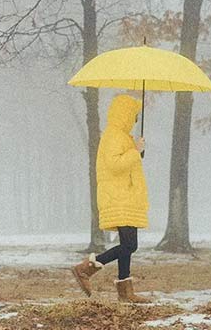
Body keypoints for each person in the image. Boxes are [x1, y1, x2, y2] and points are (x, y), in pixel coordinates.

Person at [71, 94, 151, 303]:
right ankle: (86, 268)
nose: (135, 120)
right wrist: (135, 152)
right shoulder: (113, 135)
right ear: (124, 114)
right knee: (129, 245)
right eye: (133, 115)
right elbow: (115, 165)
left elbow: (128, 165)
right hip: (119, 197)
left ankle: (125, 292)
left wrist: (136, 151)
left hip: (126, 197)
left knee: (128, 244)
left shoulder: (123, 136)